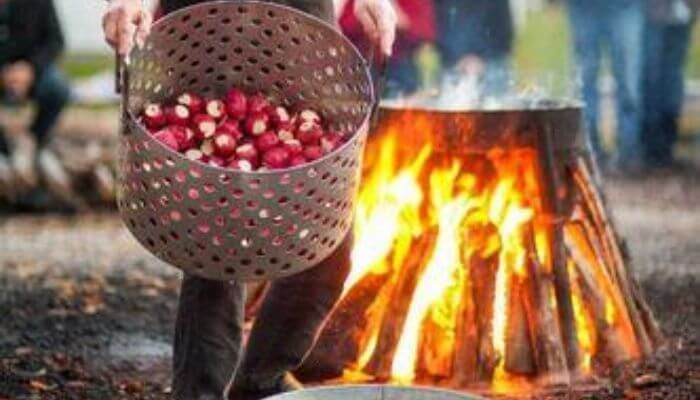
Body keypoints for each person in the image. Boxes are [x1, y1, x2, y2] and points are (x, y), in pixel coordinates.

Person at [102, 1, 396, 400]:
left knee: (330, 234)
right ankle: (199, 391)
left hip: (302, 30)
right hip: (206, 30)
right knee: (216, 236)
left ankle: (262, 376)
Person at [0, 0, 72, 200]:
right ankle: (3, 150)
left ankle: (33, 140)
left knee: (58, 87)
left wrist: (30, 69)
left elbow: (56, 41)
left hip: (32, 70)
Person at [565, 0, 646, 172]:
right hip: (583, 8)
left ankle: (628, 151)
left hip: (625, 6)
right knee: (584, 81)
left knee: (627, 82)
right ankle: (588, 150)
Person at [339, 0, 437, 97]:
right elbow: (342, 26)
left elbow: (424, 32)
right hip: (358, 64)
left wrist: (400, 19)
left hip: (399, 65)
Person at [643, 0, 699, 168]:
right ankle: (657, 146)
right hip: (662, 12)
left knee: (667, 77)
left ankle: (663, 146)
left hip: (676, 13)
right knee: (658, 77)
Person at [434, 0, 514, 96]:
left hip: (490, 69)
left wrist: (480, 59)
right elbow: (434, 28)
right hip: (453, 70)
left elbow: (505, 34)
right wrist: (456, 60)